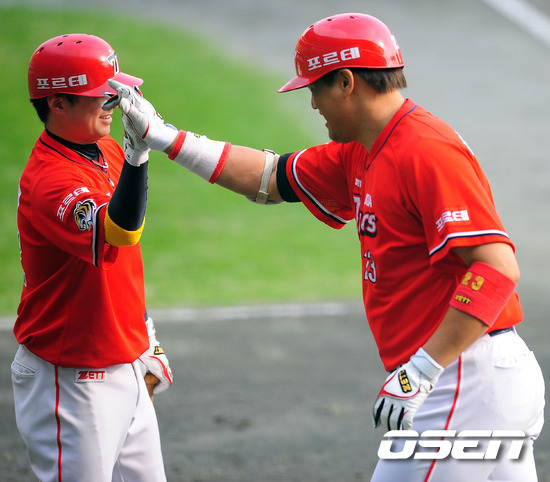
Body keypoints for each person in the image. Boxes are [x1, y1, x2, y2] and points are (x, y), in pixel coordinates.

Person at [106, 13, 545, 481]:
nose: (313, 103)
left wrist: (422, 368)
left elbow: (497, 269)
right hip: (474, 379)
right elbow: (269, 178)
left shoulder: (426, 150)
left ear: (346, 82)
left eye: (315, 88)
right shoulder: (364, 148)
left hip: (463, 379)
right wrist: (164, 137)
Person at [12, 33, 173, 482]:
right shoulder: (50, 182)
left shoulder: (106, 150)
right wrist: (140, 156)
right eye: (101, 95)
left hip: (124, 362)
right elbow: (119, 233)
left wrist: (146, 341)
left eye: (115, 92)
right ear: (57, 104)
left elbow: (125, 264)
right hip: (70, 380)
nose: (114, 104)